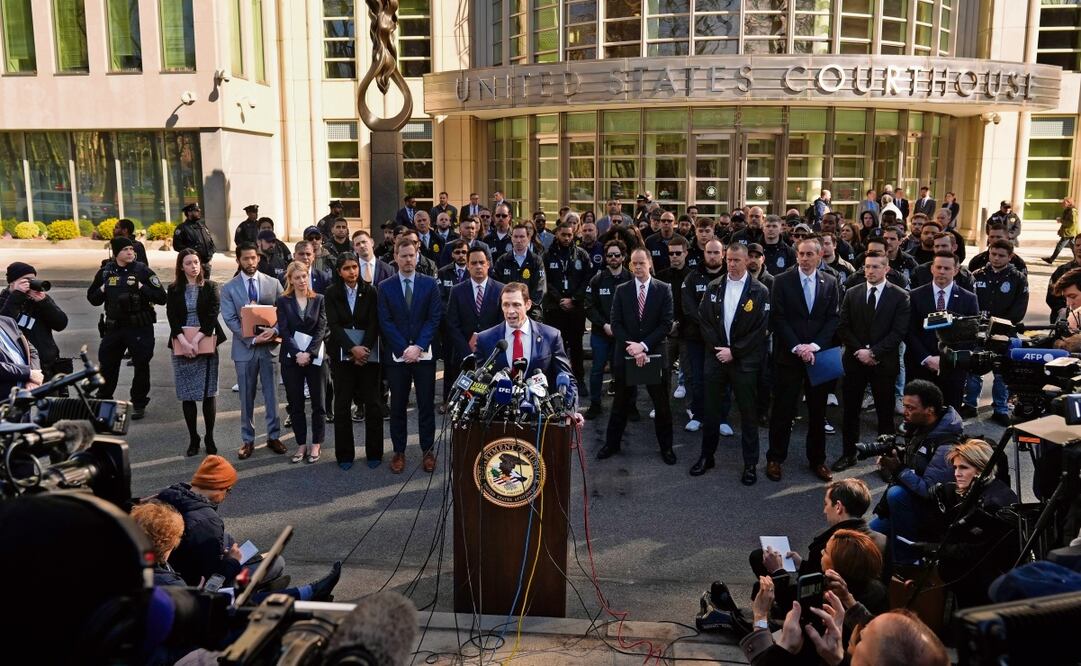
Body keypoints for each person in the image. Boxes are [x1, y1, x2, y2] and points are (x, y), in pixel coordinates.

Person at [693, 243, 770, 484]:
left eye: (736, 260)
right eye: (728, 259)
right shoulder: (714, 286)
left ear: (747, 261)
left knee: (748, 414)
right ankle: (707, 456)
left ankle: (750, 464)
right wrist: (720, 350)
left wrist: (734, 352)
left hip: (744, 363)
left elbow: (760, 330)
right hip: (716, 360)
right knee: (711, 411)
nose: (731, 264)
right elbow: (704, 321)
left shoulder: (760, 291)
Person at [767, 237, 840, 484]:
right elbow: (778, 318)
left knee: (818, 413)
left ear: (820, 256)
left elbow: (833, 318)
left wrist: (815, 346)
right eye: (802, 254)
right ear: (796, 256)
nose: (805, 259)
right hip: (789, 356)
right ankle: (775, 458)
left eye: (810, 254)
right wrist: (798, 346)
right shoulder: (782, 281)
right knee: (783, 410)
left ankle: (817, 460)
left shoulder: (830, 281)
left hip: (819, 357)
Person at [870, 379, 963, 564]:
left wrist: (897, 468)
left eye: (911, 408)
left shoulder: (947, 444)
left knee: (896, 494)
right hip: (913, 502)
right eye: (904, 406)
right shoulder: (922, 427)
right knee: (865, 538)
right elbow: (918, 462)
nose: (905, 412)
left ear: (929, 410)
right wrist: (897, 455)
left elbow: (929, 490)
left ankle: (908, 562)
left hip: (934, 512)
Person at [597, 248, 676, 464]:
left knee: (661, 406)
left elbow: (666, 323)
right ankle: (611, 444)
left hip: (654, 354)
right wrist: (633, 346)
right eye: (634, 263)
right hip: (626, 353)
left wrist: (643, 346)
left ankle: (667, 448)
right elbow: (616, 323)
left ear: (650, 263)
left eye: (642, 262)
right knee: (620, 403)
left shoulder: (663, 289)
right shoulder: (622, 290)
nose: (638, 267)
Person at [834, 251, 910, 472]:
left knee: (885, 416)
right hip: (855, 361)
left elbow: (898, 332)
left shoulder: (900, 296)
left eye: (876, 267)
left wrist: (874, 353)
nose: (870, 271)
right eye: (867, 266)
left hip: (883, 365)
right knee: (850, 412)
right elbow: (843, 326)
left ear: (886, 269)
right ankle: (849, 454)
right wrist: (860, 351)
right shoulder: (852, 293)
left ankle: (887, 461)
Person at [926, 439, 1019, 608]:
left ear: (981, 469)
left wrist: (933, 548)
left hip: (985, 585)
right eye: (955, 468)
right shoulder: (987, 488)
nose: (956, 473)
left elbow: (969, 551)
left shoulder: (992, 503)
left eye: (964, 468)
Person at [378, 238, 443, 474]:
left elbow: (434, 318)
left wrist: (419, 346)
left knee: (426, 405)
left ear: (417, 256)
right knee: (398, 406)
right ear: (395, 257)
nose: (408, 260)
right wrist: (404, 349)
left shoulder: (429, 284)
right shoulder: (385, 286)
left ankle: (428, 450)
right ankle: (399, 452)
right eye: (403, 256)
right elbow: (385, 321)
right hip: (398, 357)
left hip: (424, 355)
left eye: (411, 255)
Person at [87, 237, 167, 420]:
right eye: (125, 249)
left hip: (139, 327)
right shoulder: (106, 272)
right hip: (114, 328)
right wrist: (103, 289)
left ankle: (138, 403)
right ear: (116, 253)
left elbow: (162, 297)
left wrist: (142, 287)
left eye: (131, 249)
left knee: (141, 365)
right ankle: (104, 401)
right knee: (107, 366)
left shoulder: (143, 271)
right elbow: (92, 299)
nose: (130, 252)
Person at [220, 243, 287, 460]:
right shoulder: (229, 288)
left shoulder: (273, 283)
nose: (250, 262)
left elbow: (285, 312)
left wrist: (275, 331)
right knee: (246, 397)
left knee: (271, 394)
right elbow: (229, 318)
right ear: (238, 260)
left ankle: (273, 436)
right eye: (245, 259)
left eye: (253, 258)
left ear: (258, 259)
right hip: (244, 349)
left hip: (269, 348)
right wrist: (250, 337)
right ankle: (247, 440)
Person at [474, 281, 579, 409]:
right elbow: (479, 382)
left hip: (541, 416)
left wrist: (570, 412)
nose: (510, 311)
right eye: (506, 305)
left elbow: (566, 378)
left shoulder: (551, 336)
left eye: (516, 305)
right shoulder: (485, 339)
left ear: (528, 305)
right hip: (498, 418)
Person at [324, 252, 382, 470]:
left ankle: (374, 452)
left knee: (373, 404)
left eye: (354, 267)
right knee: (342, 405)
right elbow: (334, 324)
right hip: (343, 356)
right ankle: (345, 455)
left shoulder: (371, 291)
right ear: (339, 272)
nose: (352, 272)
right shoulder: (331, 293)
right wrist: (352, 349)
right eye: (347, 268)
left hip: (369, 355)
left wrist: (363, 350)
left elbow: (374, 323)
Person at [167, 250, 227, 457]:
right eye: (188, 263)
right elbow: (172, 318)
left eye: (196, 262)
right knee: (187, 395)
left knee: (208, 393)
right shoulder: (174, 289)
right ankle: (193, 437)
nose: (194, 266)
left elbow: (212, 315)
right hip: (181, 342)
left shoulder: (210, 287)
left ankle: (209, 436)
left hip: (205, 340)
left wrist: (195, 340)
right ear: (181, 267)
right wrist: (184, 342)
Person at [963, 240, 1029, 425]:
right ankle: (970, 403)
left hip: (1005, 332)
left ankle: (1000, 408)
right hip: (978, 329)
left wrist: (1003, 326)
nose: (996, 258)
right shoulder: (977, 275)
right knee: (975, 368)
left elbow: (1019, 308)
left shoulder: (1018, 278)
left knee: (1002, 371)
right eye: (993, 254)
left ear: (1010, 257)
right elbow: (969, 303)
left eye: (1001, 255)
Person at [906, 251, 979, 411]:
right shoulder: (915, 296)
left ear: (956, 270)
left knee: (950, 416)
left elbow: (971, 336)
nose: (942, 271)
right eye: (938, 267)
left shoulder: (969, 299)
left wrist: (947, 359)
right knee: (919, 414)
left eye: (947, 268)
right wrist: (926, 358)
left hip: (953, 369)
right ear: (932, 268)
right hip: (921, 367)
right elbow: (909, 332)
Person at [277, 261, 328, 464]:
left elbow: (322, 328)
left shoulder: (319, 299)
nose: (301, 280)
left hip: (315, 359)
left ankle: (316, 443)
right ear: (290, 279)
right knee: (296, 403)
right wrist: (297, 353)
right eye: (297, 277)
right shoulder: (283, 301)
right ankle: (300, 444)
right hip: (291, 359)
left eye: (304, 276)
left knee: (319, 403)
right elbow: (284, 329)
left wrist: (309, 353)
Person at [681, 239, 726, 433]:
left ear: (723, 254)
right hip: (697, 338)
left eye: (716, 252)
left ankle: (722, 418)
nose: (713, 256)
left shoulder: (730, 276)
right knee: (697, 378)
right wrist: (708, 326)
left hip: (723, 339)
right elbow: (689, 308)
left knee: (722, 379)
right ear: (703, 254)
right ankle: (698, 415)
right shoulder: (692, 278)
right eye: (709, 252)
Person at [584, 240, 632, 419]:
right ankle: (595, 404)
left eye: (617, 255)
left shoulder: (631, 279)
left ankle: (629, 405)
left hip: (624, 335)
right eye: (610, 255)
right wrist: (604, 324)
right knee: (597, 369)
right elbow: (589, 306)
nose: (613, 258)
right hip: (600, 333)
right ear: (605, 258)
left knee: (626, 371)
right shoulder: (597, 279)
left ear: (624, 257)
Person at [542, 221, 592, 388]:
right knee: (557, 347)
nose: (566, 238)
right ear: (557, 234)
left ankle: (579, 380)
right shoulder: (547, 255)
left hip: (576, 309)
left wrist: (574, 299)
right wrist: (559, 300)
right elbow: (545, 281)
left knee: (577, 347)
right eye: (563, 234)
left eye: (569, 235)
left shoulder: (582, 255)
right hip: (555, 309)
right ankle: (556, 381)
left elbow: (587, 280)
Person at [0, 262, 67, 380]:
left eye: (33, 279)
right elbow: (5, 326)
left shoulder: (38, 299)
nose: (30, 283)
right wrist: (17, 296)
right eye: (26, 280)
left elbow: (61, 324)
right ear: (12, 282)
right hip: (20, 369)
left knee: (52, 399)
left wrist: (44, 302)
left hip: (48, 368)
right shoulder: (4, 301)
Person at [657, 235, 691, 404]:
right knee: (663, 372)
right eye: (671, 254)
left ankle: (691, 408)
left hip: (687, 332)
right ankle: (661, 405)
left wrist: (679, 323)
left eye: (678, 253)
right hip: (666, 333)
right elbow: (656, 305)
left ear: (685, 253)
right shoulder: (661, 277)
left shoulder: (692, 276)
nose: (675, 257)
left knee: (690, 373)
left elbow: (695, 306)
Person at [493, 223, 546, 320]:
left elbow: (540, 289)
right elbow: (496, 286)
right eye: (516, 236)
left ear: (528, 238)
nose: (518, 240)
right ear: (511, 238)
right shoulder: (502, 261)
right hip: (507, 311)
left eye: (522, 237)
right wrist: (510, 306)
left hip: (530, 311)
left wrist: (525, 306)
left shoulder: (536, 261)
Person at [173, 203, 216, 277]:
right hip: (193, 265)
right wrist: (193, 253)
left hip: (206, 264)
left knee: (206, 286)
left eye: (198, 211)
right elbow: (177, 246)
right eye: (196, 211)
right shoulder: (182, 228)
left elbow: (210, 241)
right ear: (189, 213)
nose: (198, 213)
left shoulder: (202, 226)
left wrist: (211, 254)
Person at [1047, 236, 1081, 323]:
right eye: (1077, 245)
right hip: (1064, 320)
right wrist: (1062, 309)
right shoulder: (1062, 270)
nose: (1080, 248)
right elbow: (1052, 296)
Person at [1045, 197, 1078, 264]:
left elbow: (1073, 222)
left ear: (1069, 203)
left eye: (1064, 202)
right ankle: (1077, 259)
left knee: (1060, 245)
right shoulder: (1068, 210)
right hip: (1069, 232)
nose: (1062, 203)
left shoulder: (1072, 211)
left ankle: (1051, 259)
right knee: (1073, 246)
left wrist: (1061, 220)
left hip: (1069, 232)